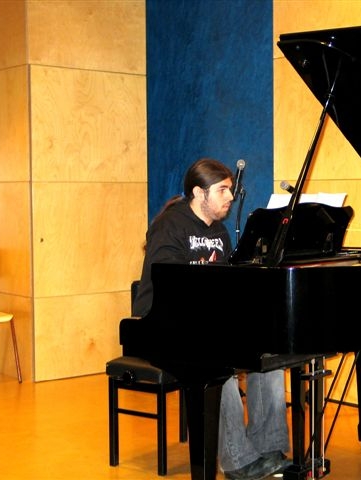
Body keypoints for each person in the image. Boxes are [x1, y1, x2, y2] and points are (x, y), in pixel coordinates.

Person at [132, 157, 291, 480]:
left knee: (268, 356)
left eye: (230, 189)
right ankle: (237, 462)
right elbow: (170, 288)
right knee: (217, 367)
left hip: (206, 324)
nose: (231, 196)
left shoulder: (218, 230)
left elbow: (224, 286)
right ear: (198, 193)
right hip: (164, 326)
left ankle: (269, 448)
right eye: (222, 190)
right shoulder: (170, 226)